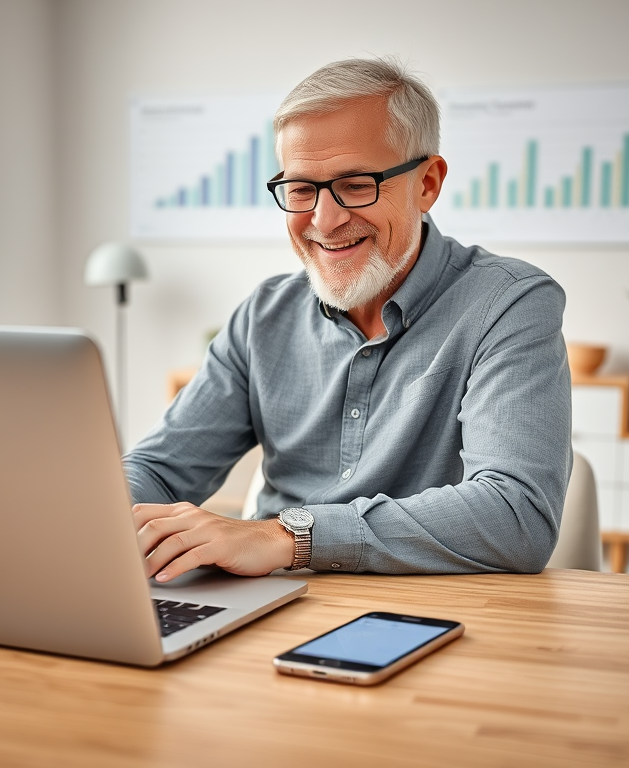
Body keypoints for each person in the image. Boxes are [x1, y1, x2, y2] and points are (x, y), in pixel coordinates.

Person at [124, 57, 572, 583]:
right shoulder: (264, 315)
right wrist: (82, 520)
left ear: (427, 183)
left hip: (433, 615)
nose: (324, 219)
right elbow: (158, 469)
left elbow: (515, 516)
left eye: (356, 185)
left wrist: (285, 536)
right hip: (264, 607)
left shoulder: (509, 304)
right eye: (300, 189)